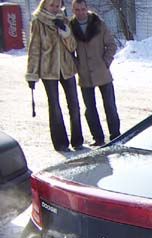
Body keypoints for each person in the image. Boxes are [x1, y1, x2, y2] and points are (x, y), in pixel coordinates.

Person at [25, 0, 84, 152]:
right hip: (48, 70)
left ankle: (77, 140)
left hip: (67, 68)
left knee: (74, 104)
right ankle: (60, 143)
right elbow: (34, 49)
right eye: (51, 5)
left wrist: (65, 32)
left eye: (57, 6)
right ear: (44, 5)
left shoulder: (63, 20)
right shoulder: (38, 21)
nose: (54, 8)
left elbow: (72, 46)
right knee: (55, 106)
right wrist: (32, 74)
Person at [69, 0, 120, 146]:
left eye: (83, 9)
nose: (80, 12)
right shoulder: (71, 27)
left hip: (102, 72)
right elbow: (69, 50)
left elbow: (111, 45)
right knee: (90, 109)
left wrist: (105, 62)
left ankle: (115, 135)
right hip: (85, 74)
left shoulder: (98, 23)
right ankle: (98, 138)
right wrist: (77, 65)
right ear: (73, 10)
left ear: (87, 8)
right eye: (77, 10)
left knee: (110, 105)